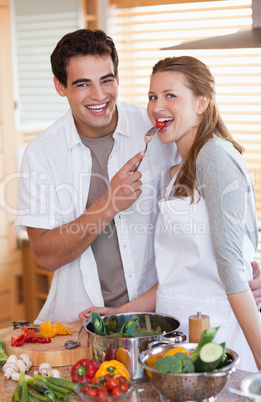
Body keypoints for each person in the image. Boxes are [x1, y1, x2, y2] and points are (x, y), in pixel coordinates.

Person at [79, 56, 261, 372]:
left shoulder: (216, 156)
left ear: (202, 102)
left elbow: (231, 268)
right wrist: (118, 312)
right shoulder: (174, 171)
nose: (157, 106)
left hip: (219, 339)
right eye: (152, 96)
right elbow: (174, 277)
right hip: (177, 341)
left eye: (170, 95)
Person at [14, 29, 179, 324]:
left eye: (106, 80)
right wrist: (109, 205)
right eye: (82, 84)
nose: (99, 95)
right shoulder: (42, 154)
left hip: (159, 315)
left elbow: (196, 219)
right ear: (60, 86)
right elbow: (45, 256)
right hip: (78, 321)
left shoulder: (156, 129)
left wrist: (242, 270)